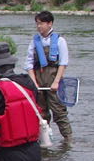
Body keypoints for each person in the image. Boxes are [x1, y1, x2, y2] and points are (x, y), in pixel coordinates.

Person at [21, 11, 72, 146]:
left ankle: (68, 141)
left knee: (59, 112)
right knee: (40, 113)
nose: (39, 27)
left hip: (53, 78)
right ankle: (43, 142)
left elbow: (63, 63)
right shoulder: (34, 41)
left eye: (42, 23)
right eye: (37, 24)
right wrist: (34, 83)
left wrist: (56, 82)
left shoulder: (60, 41)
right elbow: (29, 64)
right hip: (38, 78)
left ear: (50, 23)